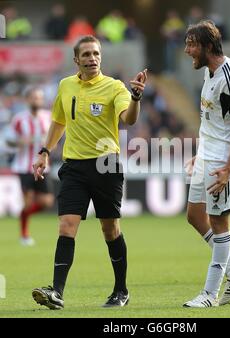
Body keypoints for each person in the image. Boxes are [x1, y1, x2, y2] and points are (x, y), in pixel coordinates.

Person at [31, 35, 147, 310]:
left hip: (105, 165)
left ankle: (121, 290)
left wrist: (136, 97)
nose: (92, 58)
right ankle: (56, 292)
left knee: (110, 228)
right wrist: (45, 151)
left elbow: (128, 119)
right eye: (86, 55)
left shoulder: (114, 87)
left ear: (100, 57)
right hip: (73, 167)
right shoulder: (66, 85)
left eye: (96, 54)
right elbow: (59, 121)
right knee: (66, 225)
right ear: (76, 60)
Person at [183, 20, 230, 308]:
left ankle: (210, 295)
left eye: (191, 44)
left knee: (218, 221)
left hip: (225, 160)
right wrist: (201, 153)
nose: (188, 50)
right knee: (194, 216)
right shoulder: (210, 73)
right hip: (209, 155)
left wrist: (227, 168)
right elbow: (215, 121)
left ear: (208, 46)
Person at [6, 87, 54, 246]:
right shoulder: (19, 119)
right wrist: (24, 141)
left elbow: (56, 136)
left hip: (43, 167)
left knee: (47, 202)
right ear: (28, 100)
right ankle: (24, 234)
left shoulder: (48, 117)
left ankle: (23, 215)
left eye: (39, 98)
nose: (36, 101)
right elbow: (9, 140)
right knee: (27, 202)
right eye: (33, 98)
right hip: (24, 166)